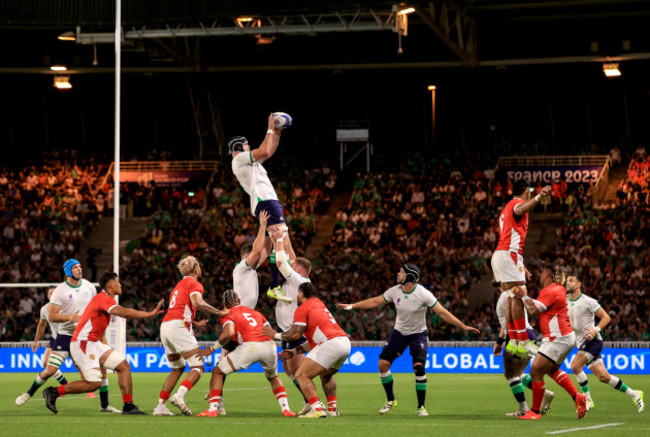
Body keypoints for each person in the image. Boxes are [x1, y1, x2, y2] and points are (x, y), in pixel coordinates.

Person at [336, 263, 479, 416]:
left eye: (401, 272)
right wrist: (353, 306)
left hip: (418, 335)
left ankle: (421, 407)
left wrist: (463, 326)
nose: (398, 273)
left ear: (409, 276)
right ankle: (391, 400)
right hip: (399, 333)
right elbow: (375, 301)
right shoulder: (394, 291)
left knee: (419, 367)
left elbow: (442, 312)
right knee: (383, 365)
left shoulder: (424, 294)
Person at [42, 272, 164, 415]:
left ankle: (128, 406)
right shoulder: (102, 298)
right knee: (94, 384)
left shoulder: (106, 299)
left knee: (123, 366)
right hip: (83, 343)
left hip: (93, 342)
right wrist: (149, 314)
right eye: (118, 282)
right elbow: (123, 312)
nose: (121, 285)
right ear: (111, 284)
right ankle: (53, 392)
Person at [18, 259, 119, 412]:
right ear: (68, 271)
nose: (79, 269)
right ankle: (28, 393)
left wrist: (102, 337)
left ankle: (104, 406)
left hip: (86, 336)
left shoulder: (89, 287)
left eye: (80, 266)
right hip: (65, 336)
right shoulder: (60, 291)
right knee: (50, 370)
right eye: (75, 267)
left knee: (101, 369)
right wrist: (69, 318)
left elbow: (96, 311)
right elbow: (51, 316)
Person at [197, 290, 296, 418]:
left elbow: (228, 333)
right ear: (239, 301)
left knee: (218, 372)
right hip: (269, 346)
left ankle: (212, 410)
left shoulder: (227, 313)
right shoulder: (256, 313)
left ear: (224, 305)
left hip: (250, 346)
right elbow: (270, 330)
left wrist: (211, 349)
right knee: (273, 377)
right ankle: (286, 409)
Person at [228, 113, 293, 303]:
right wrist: (270, 128)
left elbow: (269, 150)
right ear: (239, 148)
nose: (249, 147)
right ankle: (275, 286)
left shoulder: (250, 163)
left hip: (268, 202)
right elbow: (264, 150)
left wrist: (278, 132)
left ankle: (275, 285)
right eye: (247, 144)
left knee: (280, 243)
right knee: (281, 240)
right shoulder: (238, 160)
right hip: (266, 202)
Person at [154, 255, 230, 416]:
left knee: (177, 368)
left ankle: (160, 406)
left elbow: (179, 308)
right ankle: (179, 396)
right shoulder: (194, 283)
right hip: (178, 327)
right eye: (199, 266)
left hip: (166, 326)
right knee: (198, 366)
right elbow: (197, 303)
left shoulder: (178, 285)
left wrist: (195, 324)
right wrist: (219, 312)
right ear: (196, 269)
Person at [264, 282, 351, 418]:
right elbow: (312, 343)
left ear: (301, 294)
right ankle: (332, 410)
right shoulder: (319, 304)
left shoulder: (303, 308)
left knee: (301, 375)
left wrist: (274, 335)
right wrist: (293, 352)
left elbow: (295, 334)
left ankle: (317, 409)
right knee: (326, 375)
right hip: (344, 342)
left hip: (329, 343)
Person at [513, 265, 587, 420]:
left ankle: (535, 412)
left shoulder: (550, 290)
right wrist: (525, 297)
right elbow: (539, 306)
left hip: (557, 337)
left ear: (547, 274)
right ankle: (577, 397)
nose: (540, 276)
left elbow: (534, 310)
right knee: (551, 370)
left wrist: (524, 296)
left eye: (542, 273)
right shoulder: (558, 289)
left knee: (535, 371)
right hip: (564, 336)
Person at [565, 273, 644, 412]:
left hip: (592, 341)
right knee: (603, 377)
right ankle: (635, 393)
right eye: (567, 281)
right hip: (581, 342)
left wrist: (595, 330)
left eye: (571, 281)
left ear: (579, 285)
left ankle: (587, 400)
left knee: (575, 366)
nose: (567, 282)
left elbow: (606, 317)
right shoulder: (564, 300)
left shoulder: (588, 301)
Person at [491, 179, 551, 357]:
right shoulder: (516, 204)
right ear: (527, 192)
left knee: (511, 297)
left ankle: (515, 342)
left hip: (503, 254)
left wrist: (520, 265)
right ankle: (524, 342)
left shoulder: (506, 208)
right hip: (509, 253)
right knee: (518, 294)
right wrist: (540, 196)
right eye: (530, 192)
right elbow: (521, 209)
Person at [269, 226, 314, 415]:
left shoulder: (300, 281)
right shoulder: (293, 280)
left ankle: (314, 403)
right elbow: (290, 253)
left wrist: (278, 239)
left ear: (300, 271)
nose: (290, 264)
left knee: (298, 372)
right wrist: (285, 232)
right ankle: (308, 401)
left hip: (295, 331)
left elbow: (284, 260)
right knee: (288, 370)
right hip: (286, 331)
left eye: (294, 266)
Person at [493, 289, 555, 417]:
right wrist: (500, 342)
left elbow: (509, 321)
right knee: (519, 373)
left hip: (518, 335)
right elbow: (506, 322)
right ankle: (544, 393)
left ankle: (523, 409)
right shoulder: (510, 294)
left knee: (511, 375)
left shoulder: (507, 295)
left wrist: (504, 341)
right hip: (527, 333)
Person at [15, 288, 72, 406]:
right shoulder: (45, 309)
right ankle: (29, 393)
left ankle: (96, 393)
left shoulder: (67, 306)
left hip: (71, 338)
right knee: (46, 364)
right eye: (51, 293)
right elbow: (41, 325)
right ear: (48, 296)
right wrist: (36, 341)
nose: (54, 294)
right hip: (56, 339)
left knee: (83, 367)